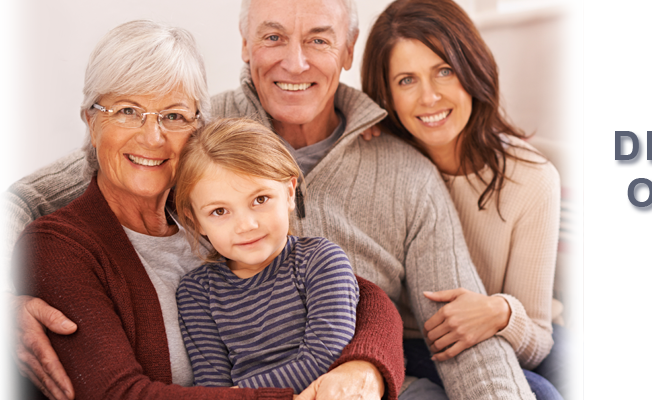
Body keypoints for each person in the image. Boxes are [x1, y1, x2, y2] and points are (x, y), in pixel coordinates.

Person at [0, 0, 534, 399]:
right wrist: (1, 297)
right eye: (274, 36)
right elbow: (23, 201)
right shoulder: (184, 140)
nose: (295, 63)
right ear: (245, 45)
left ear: (349, 50)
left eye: (319, 40)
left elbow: (384, 301)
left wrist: (366, 366)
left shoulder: (399, 170)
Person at [360, 0, 584, 399]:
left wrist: (499, 313)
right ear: (386, 95)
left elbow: (535, 337)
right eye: (407, 80)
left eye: (444, 71)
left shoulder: (531, 179)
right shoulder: (380, 164)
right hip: (416, 338)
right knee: (540, 395)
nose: (429, 97)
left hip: (513, 326)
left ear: (472, 69)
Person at [172, 118, 359, 393]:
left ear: (289, 193)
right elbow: (213, 388)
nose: (246, 225)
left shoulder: (320, 261)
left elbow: (324, 357)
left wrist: (239, 396)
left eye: (260, 200)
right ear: (195, 220)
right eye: (219, 211)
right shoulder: (197, 292)